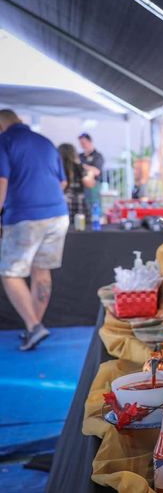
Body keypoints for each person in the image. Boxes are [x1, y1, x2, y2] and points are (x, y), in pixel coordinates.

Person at [0, 109, 70, 351]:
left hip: (24, 215)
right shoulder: (45, 142)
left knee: (10, 273)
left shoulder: (5, 141)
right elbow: (63, 182)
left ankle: (34, 325)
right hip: (58, 213)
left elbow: (1, 181)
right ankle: (34, 329)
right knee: (42, 271)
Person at [58, 143, 96, 225]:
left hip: (62, 201)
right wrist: (90, 174)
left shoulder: (57, 167)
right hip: (79, 201)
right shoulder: (78, 166)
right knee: (82, 229)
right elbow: (89, 184)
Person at [78, 132, 103, 212]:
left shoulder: (97, 156)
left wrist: (83, 166)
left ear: (90, 142)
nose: (82, 145)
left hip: (93, 186)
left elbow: (97, 171)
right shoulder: (80, 156)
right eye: (81, 143)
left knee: (94, 207)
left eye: (84, 143)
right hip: (81, 186)